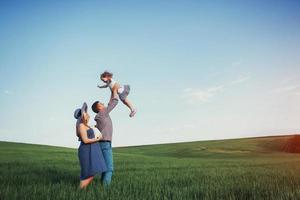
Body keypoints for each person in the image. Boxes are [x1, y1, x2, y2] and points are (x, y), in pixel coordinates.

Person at [74, 102, 107, 189]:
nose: (87, 114)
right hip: (87, 150)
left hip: (91, 149)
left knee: (92, 172)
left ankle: (81, 190)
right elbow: (85, 140)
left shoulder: (85, 125)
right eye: (85, 112)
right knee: (89, 173)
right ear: (82, 115)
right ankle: (80, 190)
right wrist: (97, 139)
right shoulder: (81, 125)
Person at [91, 89, 118, 186]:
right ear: (99, 107)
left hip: (103, 143)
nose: (103, 104)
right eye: (101, 103)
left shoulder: (101, 115)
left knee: (105, 168)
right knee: (109, 168)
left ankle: (102, 187)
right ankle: (105, 191)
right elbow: (113, 103)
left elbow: (109, 103)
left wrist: (112, 91)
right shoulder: (102, 113)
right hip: (105, 143)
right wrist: (115, 91)